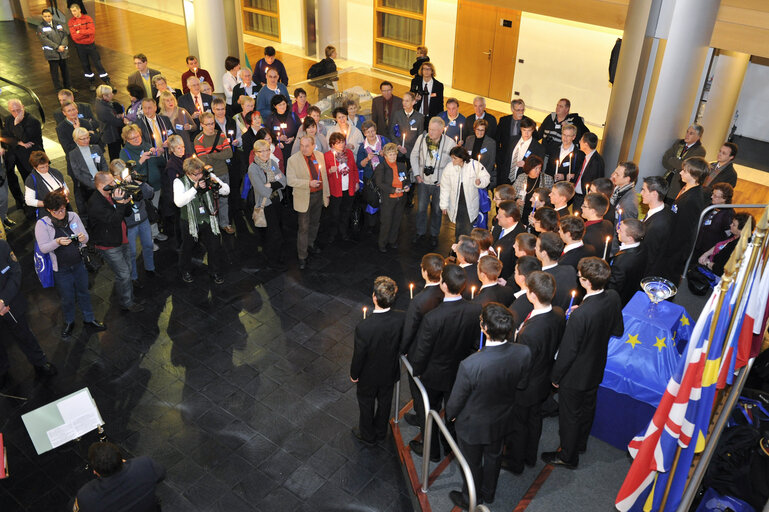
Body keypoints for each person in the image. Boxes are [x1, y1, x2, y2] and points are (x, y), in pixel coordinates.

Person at [446, 305, 531, 512]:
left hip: (472, 425)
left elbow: (456, 401)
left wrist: (451, 416)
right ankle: (489, 493)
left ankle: (469, 498)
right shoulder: (523, 352)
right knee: (494, 457)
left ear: (484, 328)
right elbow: (521, 384)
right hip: (502, 418)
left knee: (472, 463)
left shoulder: (470, 364)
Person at [544, 257, 624, 468]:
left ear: (587, 282)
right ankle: (580, 443)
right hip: (596, 365)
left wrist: (555, 376)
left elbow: (568, 351)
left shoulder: (582, 316)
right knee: (587, 408)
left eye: (580, 277)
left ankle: (568, 456)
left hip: (575, 374)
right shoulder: (613, 297)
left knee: (569, 416)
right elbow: (618, 330)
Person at [408, 264, 483, 462]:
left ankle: (431, 450)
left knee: (428, 411)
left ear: (443, 285)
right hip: (458, 371)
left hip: (433, 375)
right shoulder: (475, 309)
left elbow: (422, 351)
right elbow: (476, 342)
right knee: (452, 410)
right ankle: (450, 445)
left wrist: (417, 370)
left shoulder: (433, 318)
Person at [505, 271, 564, 474]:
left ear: (532, 295)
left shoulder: (529, 333)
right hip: (543, 379)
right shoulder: (557, 313)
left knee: (518, 425)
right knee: (534, 419)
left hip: (526, 386)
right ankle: (530, 455)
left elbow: (523, 364)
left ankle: (515, 462)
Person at [34, 189, 105, 339]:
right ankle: (69, 321)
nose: (61, 213)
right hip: (61, 269)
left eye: (63, 209)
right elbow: (43, 248)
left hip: (79, 264)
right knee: (67, 297)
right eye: (57, 211)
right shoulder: (42, 225)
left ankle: (89, 318)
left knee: (84, 292)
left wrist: (82, 237)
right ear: (48, 210)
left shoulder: (73, 216)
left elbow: (86, 237)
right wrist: (57, 242)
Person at [350, 276, 404, 444]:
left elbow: (359, 355)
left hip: (368, 376)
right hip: (389, 371)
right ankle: (381, 431)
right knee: (385, 401)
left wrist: (354, 374)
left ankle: (367, 435)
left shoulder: (364, 327)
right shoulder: (401, 319)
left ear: (374, 297)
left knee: (366, 403)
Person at [0, 239, 57, 388]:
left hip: (11, 303)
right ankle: (2, 370)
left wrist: (3, 301)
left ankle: (39, 362)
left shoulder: (2, 245)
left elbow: (15, 272)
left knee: (24, 334)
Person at [88, 172, 144, 312]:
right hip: (109, 245)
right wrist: (119, 204)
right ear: (101, 185)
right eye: (111, 182)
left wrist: (125, 203)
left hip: (121, 238)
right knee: (124, 273)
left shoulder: (112, 194)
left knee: (128, 270)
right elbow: (113, 221)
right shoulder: (95, 203)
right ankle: (127, 302)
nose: (115, 184)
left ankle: (127, 295)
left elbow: (127, 214)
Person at [400, 253, 445, 426]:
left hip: (422, 352)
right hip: (440, 349)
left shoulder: (419, 301)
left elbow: (410, 329)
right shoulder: (445, 290)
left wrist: (402, 349)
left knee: (419, 393)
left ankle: (422, 418)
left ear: (424, 272)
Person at [174, 156, 229, 284]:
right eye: (195, 174)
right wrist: (195, 188)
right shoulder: (179, 182)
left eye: (200, 172)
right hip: (189, 220)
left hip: (208, 218)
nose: (199, 176)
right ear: (188, 173)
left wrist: (217, 183)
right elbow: (179, 202)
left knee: (214, 246)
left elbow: (227, 190)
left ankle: (214, 271)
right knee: (187, 247)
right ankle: (185, 270)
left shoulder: (207, 177)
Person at [73, 441, 165, 512]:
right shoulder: (145, 464)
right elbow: (161, 475)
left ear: (95, 472)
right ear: (122, 459)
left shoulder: (85, 496)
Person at [411, 117, 457, 247]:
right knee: (421, 209)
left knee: (437, 210)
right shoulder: (421, 139)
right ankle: (420, 232)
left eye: (434, 130)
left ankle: (434, 234)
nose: (430, 133)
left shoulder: (450, 143)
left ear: (442, 130)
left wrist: (444, 180)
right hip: (423, 182)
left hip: (439, 184)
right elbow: (413, 156)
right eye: (430, 129)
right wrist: (417, 174)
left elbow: (454, 164)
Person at [286, 136, 330, 269]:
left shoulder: (320, 155)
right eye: (301, 146)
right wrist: (308, 183)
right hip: (304, 197)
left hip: (318, 195)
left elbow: (324, 176)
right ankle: (302, 256)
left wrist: (326, 194)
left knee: (315, 223)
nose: (304, 149)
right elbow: (290, 180)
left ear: (313, 145)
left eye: (307, 146)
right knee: (303, 227)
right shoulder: (293, 160)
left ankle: (310, 244)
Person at [665, 156, 707, 284]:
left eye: (685, 171)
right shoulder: (687, 189)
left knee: (668, 277)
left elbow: (683, 231)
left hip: (675, 248)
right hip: (672, 242)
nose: (681, 172)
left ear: (694, 175)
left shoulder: (692, 200)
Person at [248, 139, 287, 270]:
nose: (265, 153)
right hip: (266, 205)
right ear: (256, 153)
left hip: (277, 201)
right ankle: (272, 261)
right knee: (273, 234)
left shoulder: (272, 163)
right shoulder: (253, 169)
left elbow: (284, 182)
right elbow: (263, 191)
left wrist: (271, 184)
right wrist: (276, 182)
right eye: (261, 151)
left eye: (267, 150)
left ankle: (276, 256)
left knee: (278, 232)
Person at [194, 113, 234, 234]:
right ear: (202, 124)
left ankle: (225, 223)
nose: (211, 127)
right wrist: (218, 155)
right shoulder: (198, 139)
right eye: (208, 124)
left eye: (212, 123)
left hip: (223, 172)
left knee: (224, 200)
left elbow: (229, 153)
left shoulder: (220, 134)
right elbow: (203, 160)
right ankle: (213, 226)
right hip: (210, 175)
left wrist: (211, 155)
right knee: (210, 202)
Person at [440, 146, 490, 240]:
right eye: (452, 158)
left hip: (470, 204)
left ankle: (467, 248)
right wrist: (444, 205)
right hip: (456, 204)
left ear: (462, 158)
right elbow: (445, 187)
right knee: (459, 228)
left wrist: (480, 182)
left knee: (468, 228)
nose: (452, 160)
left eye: (455, 158)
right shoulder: (449, 168)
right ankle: (458, 246)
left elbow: (486, 178)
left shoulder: (475, 165)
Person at [3, 99, 44, 209]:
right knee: (11, 178)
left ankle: (33, 203)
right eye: (13, 111)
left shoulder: (32, 121)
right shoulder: (7, 119)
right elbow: (4, 137)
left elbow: (25, 139)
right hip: (12, 154)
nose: (16, 113)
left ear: (23, 107)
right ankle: (19, 200)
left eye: (18, 110)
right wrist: (17, 142)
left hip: (27, 156)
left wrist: (17, 123)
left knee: (29, 179)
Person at [324, 132, 359, 243]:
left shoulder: (348, 153)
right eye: (338, 143)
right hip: (335, 190)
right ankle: (332, 233)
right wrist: (330, 171)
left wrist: (356, 182)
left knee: (346, 211)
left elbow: (354, 169)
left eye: (342, 142)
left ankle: (343, 232)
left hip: (348, 188)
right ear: (332, 144)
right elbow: (323, 175)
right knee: (334, 214)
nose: (341, 145)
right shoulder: (327, 156)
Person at [67, 3, 109, 90]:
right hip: (80, 47)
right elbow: (74, 37)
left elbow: (91, 31)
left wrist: (79, 31)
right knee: (85, 64)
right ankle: (91, 82)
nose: (73, 13)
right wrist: (84, 32)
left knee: (97, 63)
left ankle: (107, 80)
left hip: (90, 45)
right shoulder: (71, 22)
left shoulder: (88, 18)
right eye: (72, 11)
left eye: (74, 10)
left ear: (79, 10)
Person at [640, 176, 675, 278]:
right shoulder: (665, 208)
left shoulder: (657, 225)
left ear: (654, 194)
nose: (641, 193)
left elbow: (649, 257)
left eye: (644, 190)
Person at [607, 218, 647, 306]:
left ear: (630, 238)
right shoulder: (642, 246)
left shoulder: (621, 262)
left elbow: (613, 287)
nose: (617, 231)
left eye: (620, 230)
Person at [536, 232, 578, 313]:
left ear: (544, 253)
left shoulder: (540, 280)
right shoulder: (570, 270)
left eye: (537, 246)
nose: (535, 248)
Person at [662, 123, 706, 201]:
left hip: (678, 185)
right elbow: (665, 160)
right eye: (687, 132)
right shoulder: (679, 143)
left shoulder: (700, 151)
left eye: (691, 133)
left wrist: (673, 160)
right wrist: (677, 165)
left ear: (698, 137)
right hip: (666, 180)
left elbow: (687, 167)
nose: (687, 135)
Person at [496, 98, 534, 186]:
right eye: (518, 110)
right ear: (512, 109)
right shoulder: (504, 121)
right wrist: (498, 157)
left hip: (519, 160)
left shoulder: (528, 122)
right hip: (504, 159)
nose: (521, 112)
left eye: (522, 110)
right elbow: (497, 139)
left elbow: (534, 141)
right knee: (501, 184)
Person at [692, 183, 734, 259]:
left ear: (724, 199)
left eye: (715, 196)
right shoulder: (711, 206)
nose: (711, 197)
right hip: (696, 246)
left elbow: (727, 238)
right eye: (712, 194)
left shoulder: (728, 216)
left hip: (707, 253)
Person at [69, 126, 107, 205]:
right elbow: (78, 174)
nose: (87, 140)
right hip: (88, 186)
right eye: (83, 139)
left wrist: (104, 178)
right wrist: (94, 185)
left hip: (102, 181)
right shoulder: (73, 154)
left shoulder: (96, 148)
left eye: (88, 137)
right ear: (76, 140)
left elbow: (103, 163)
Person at [25, 151, 68, 219]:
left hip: (64, 208)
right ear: (35, 167)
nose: (46, 169)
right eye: (42, 167)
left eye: (47, 166)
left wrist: (65, 196)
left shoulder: (55, 172)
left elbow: (65, 186)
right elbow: (29, 201)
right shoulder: (31, 180)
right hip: (48, 214)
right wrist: (50, 205)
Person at [37, 8, 72, 90]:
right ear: (42, 17)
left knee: (66, 71)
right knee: (54, 73)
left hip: (62, 53)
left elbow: (65, 35)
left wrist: (62, 46)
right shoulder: (40, 27)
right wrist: (57, 47)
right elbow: (44, 40)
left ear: (52, 16)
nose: (47, 18)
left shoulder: (58, 24)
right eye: (45, 16)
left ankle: (69, 87)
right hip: (52, 54)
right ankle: (58, 89)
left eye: (49, 16)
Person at [161, 135, 186, 247]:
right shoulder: (172, 165)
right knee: (179, 222)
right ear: (172, 150)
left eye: (183, 147)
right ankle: (181, 243)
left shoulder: (185, 158)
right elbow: (174, 185)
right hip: (176, 198)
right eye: (178, 148)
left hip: (184, 195)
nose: (182, 150)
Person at [492, 200, 525, 280]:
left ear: (510, 219)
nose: (496, 217)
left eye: (500, 215)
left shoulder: (520, 238)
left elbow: (518, 267)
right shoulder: (499, 225)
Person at [513, 156, 552, 223]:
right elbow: (513, 193)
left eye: (539, 168)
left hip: (539, 214)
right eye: (535, 168)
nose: (538, 171)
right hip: (522, 211)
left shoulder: (547, 179)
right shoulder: (521, 177)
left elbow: (550, 198)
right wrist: (517, 200)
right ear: (529, 168)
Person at [572, 132, 604, 209]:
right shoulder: (587, 156)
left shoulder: (597, 161)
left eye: (581, 140)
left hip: (585, 197)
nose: (579, 142)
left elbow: (596, 181)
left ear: (586, 144)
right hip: (577, 195)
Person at [390, 91, 424, 162]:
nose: (404, 103)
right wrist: (398, 146)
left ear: (413, 102)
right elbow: (392, 133)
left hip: (412, 152)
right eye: (403, 100)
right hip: (398, 152)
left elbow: (420, 136)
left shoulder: (419, 117)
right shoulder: (397, 115)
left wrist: (415, 150)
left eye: (407, 101)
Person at [94, 85, 126, 160]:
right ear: (104, 96)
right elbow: (117, 122)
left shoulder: (101, 102)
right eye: (110, 93)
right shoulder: (104, 109)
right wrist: (123, 118)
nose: (112, 95)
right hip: (111, 135)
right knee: (115, 155)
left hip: (111, 133)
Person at [158, 91, 195, 156]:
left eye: (172, 99)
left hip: (185, 146)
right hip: (172, 150)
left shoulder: (181, 111)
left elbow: (194, 127)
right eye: (167, 100)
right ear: (163, 103)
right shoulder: (160, 116)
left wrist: (190, 127)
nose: (170, 102)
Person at [507, 117, 544, 183]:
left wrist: (526, 165)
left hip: (523, 181)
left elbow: (539, 167)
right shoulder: (512, 140)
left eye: (529, 130)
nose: (526, 134)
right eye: (524, 130)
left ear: (533, 130)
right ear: (521, 129)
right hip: (506, 179)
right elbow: (505, 160)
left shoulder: (538, 148)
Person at [508, 255, 542, 326]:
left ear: (522, 278)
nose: (515, 274)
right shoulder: (542, 294)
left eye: (515, 272)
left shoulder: (515, 306)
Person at [581, 193, 614, 258]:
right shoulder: (608, 224)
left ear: (593, 211)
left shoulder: (585, 233)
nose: (581, 207)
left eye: (584, 206)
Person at [411, 62, 444, 129]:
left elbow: (440, 104)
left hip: (431, 117)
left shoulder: (438, 86)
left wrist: (440, 118)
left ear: (432, 71)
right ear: (421, 70)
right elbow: (410, 98)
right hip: (418, 115)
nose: (426, 71)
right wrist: (415, 100)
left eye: (429, 69)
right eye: (424, 69)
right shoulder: (415, 82)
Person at [465, 119, 497, 186]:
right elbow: (465, 157)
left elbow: (491, 162)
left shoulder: (491, 143)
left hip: (482, 175)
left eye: (482, 130)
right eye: (478, 129)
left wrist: (482, 176)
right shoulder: (469, 139)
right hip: (469, 174)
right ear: (474, 129)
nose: (480, 132)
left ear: (485, 131)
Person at [454, 235, 482, 300]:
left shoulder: (461, 278)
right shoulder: (480, 267)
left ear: (462, 257)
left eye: (457, 250)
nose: (455, 251)